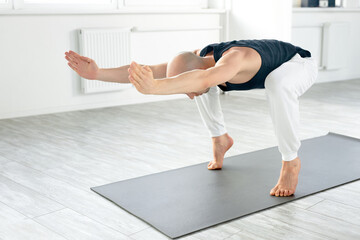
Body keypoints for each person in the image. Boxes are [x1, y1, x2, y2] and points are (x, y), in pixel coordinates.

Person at [65, 39, 318, 197]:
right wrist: (97, 73)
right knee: (204, 83)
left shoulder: (235, 58)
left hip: (298, 64)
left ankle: (290, 162)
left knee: (276, 83)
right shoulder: (197, 58)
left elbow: (203, 79)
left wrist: (154, 89)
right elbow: (149, 70)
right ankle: (221, 139)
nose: (188, 97)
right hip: (211, 71)